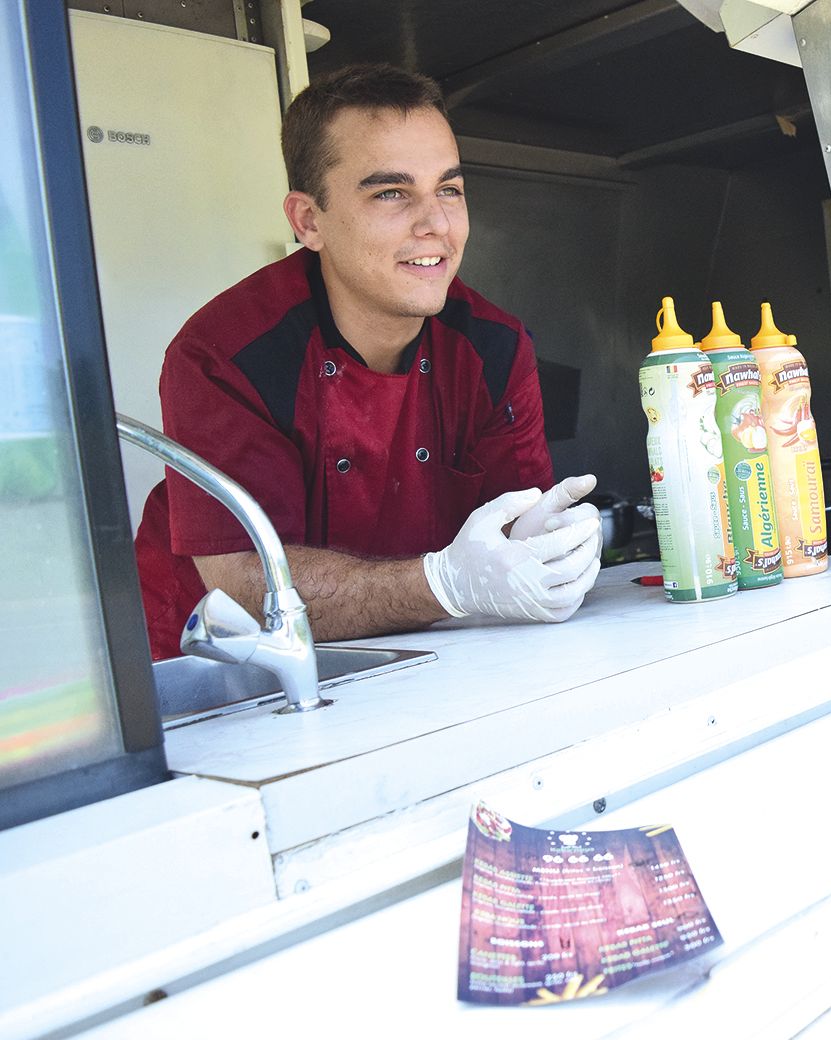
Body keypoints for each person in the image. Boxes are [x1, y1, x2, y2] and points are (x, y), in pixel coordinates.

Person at [134, 64, 601, 661]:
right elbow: (252, 587)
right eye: (391, 193)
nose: (436, 225)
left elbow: (511, 527)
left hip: (414, 654)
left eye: (449, 190)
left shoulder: (495, 348)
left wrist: (547, 549)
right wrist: (443, 585)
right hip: (220, 673)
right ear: (308, 221)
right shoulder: (227, 355)